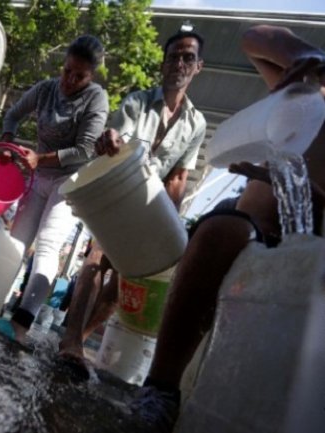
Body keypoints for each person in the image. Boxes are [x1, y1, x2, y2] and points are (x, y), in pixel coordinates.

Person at [128, 25, 325, 432]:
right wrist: (307, 56)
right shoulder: (310, 97)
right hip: (248, 226)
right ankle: (161, 388)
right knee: (218, 231)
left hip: (308, 244)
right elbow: (255, 37)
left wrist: (289, 183)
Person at [57, 30, 207, 368]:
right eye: (173, 57)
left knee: (130, 277)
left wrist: (170, 229)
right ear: (163, 62)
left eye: (187, 57)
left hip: (152, 205)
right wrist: (109, 139)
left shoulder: (196, 123)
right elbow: (113, 139)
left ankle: (80, 342)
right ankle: (70, 341)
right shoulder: (138, 101)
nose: (179, 63)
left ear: (199, 66)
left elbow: (179, 176)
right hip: (119, 191)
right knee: (97, 256)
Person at [0, 35, 109, 342]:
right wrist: (8, 141)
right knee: (17, 240)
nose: (69, 80)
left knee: (47, 244)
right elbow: (13, 114)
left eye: (79, 75)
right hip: (37, 174)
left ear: (91, 75)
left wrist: (39, 157)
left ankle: (22, 322)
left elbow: (85, 149)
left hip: (69, 180)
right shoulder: (45, 89)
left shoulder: (96, 99)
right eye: (67, 71)